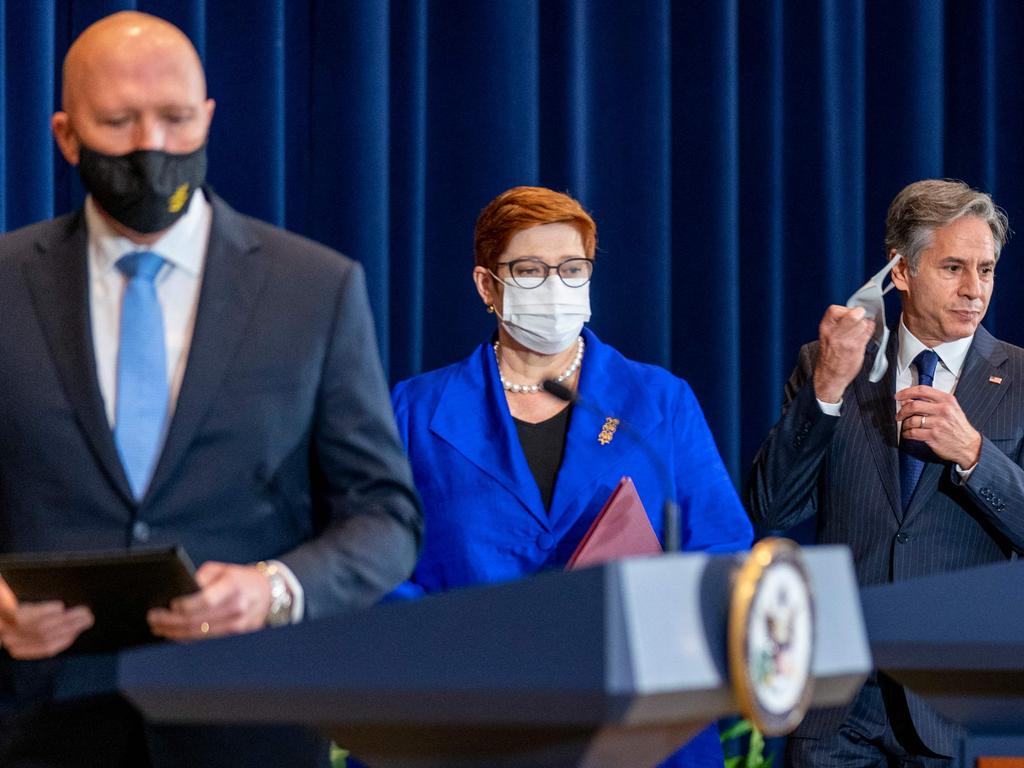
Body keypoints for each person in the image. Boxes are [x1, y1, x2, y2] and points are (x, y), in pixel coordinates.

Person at [0, 11, 422, 767]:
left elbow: (386, 516)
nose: (151, 146)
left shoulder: (315, 289)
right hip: (32, 724)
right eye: (119, 121)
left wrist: (275, 589)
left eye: (175, 118)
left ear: (210, 119)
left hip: (249, 720)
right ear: (66, 135)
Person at [389, 185, 753, 768]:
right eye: (530, 270)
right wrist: (457, 647)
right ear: (488, 286)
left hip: (636, 721)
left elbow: (723, 549)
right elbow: (376, 564)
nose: (554, 286)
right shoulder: (415, 410)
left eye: (572, 268)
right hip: (471, 721)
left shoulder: (657, 401)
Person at [748, 179, 1024, 766]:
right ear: (900, 272)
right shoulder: (831, 365)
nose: (975, 291)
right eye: (953, 268)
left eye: (987, 270)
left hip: (961, 713)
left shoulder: (1020, 380)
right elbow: (769, 509)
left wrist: (976, 455)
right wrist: (825, 388)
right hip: (840, 708)